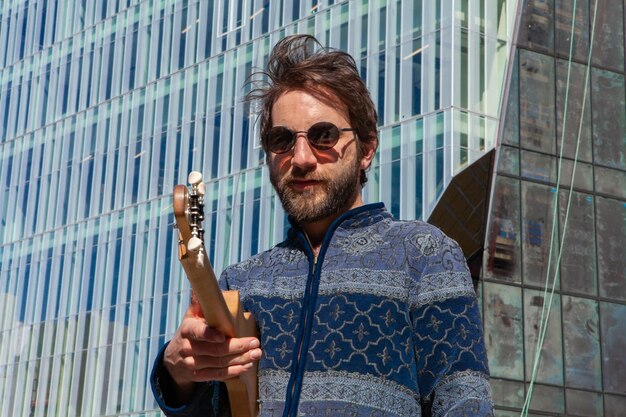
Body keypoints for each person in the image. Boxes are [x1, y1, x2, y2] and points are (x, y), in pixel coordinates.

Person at [150, 34, 493, 417]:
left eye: (323, 136)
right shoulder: (239, 283)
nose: (300, 158)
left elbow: (465, 404)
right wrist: (176, 373)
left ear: (366, 150)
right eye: (281, 139)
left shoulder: (425, 254)